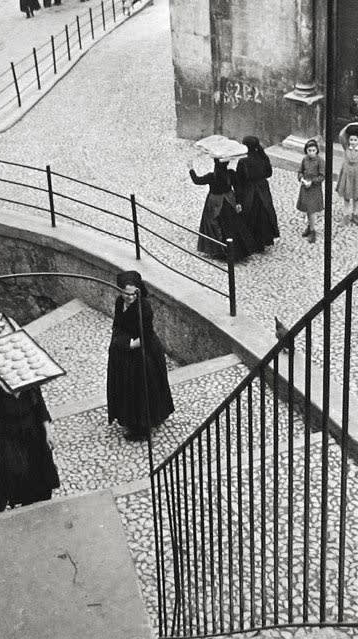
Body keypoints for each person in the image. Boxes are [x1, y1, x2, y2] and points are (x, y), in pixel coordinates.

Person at [0, 368, 59, 514]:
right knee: (9, 470)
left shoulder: (29, 382)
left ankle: (32, 502)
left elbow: (40, 408)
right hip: (5, 432)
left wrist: (48, 433)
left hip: (31, 430)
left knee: (36, 468)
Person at [107, 270, 174, 441]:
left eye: (132, 293)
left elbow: (141, 338)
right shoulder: (118, 302)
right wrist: (121, 342)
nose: (129, 297)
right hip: (127, 348)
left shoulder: (144, 308)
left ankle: (142, 426)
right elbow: (117, 325)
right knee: (126, 387)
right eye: (125, 293)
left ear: (138, 291)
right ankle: (130, 418)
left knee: (140, 389)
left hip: (143, 352)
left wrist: (122, 343)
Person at [189, 156, 257, 261]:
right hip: (229, 201)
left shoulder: (212, 176)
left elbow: (197, 180)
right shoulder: (231, 174)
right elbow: (238, 188)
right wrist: (238, 202)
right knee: (233, 224)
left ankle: (219, 250)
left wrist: (191, 169)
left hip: (215, 202)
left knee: (215, 224)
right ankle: (238, 250)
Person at [234, 135, 279, 251]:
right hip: (263, 189)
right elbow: (269, 173)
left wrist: (238, 199)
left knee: (250, 215)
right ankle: (263, 241)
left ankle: (251, 242)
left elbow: (239, 180)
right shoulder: (263, 157)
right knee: (263, 215)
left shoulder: (243, 161)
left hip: (249, 191)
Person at [336, 123, 358, 225]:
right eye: (351, 140)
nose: (353, 142)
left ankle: (355, 215)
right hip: (347, 174)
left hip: (357, 174)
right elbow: (341, 136)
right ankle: (346, 216)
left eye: (355, 140)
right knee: (346, 196)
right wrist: (348, 126)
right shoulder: (346, 147)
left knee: (356, 196)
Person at [296, 138, 325, 244]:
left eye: (313, 150)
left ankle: (312, 231)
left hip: (314, 188)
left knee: (312, 210)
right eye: (309, 150)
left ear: (317, 150)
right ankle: (309, 226)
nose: (311, 153)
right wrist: (302, 179)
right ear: (306, 151)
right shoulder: (304, 160)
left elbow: (322, 176)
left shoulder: (320, 161)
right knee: (307, 209)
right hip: (305, 187)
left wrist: (312, 182)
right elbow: (300, 171)